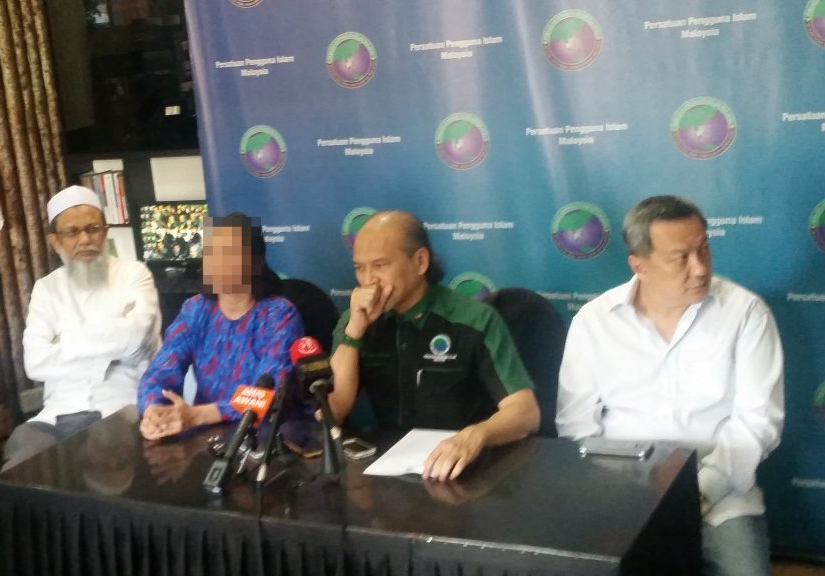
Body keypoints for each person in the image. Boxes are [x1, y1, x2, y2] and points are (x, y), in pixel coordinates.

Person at [556, 195, 784, 576]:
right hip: (619, 493)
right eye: (681, 257)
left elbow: (758, 424)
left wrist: (697, 492)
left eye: (704, 249)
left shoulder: (746, 314)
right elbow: (576, 426)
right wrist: (619, 494)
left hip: (719, 494)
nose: (700, 268)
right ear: (639, 266)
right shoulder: (594, 321)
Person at [0, 185, 161, 524]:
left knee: (102, 505)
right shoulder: (47, 289)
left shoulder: (134, 274)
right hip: (56, 417)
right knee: (4, 499)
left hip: (120, 411)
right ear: (55, 241)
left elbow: (136, 338)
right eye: (72, 232)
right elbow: (35, 362)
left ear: (105, 232)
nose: (85, 240)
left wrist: (65, 342)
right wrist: (112, 341)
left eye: (93, 228)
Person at [328, 210, 540, 481]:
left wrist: (477, 435)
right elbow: (332, 412)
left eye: (380, 265)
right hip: (388, 473)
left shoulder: (474, 320)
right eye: (359, 268)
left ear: (420, 262)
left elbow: (525, 413)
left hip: (463, 473)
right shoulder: (355, 321)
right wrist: (354, 331)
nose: (369, 280)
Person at [138, 213, 303, 440]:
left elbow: (267, 392)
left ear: (255, 263)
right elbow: (160, 372)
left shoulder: (280, 315)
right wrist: (154, 409)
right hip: (206, 435)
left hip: (265, 435)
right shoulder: (195, 309)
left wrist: (197, 415)